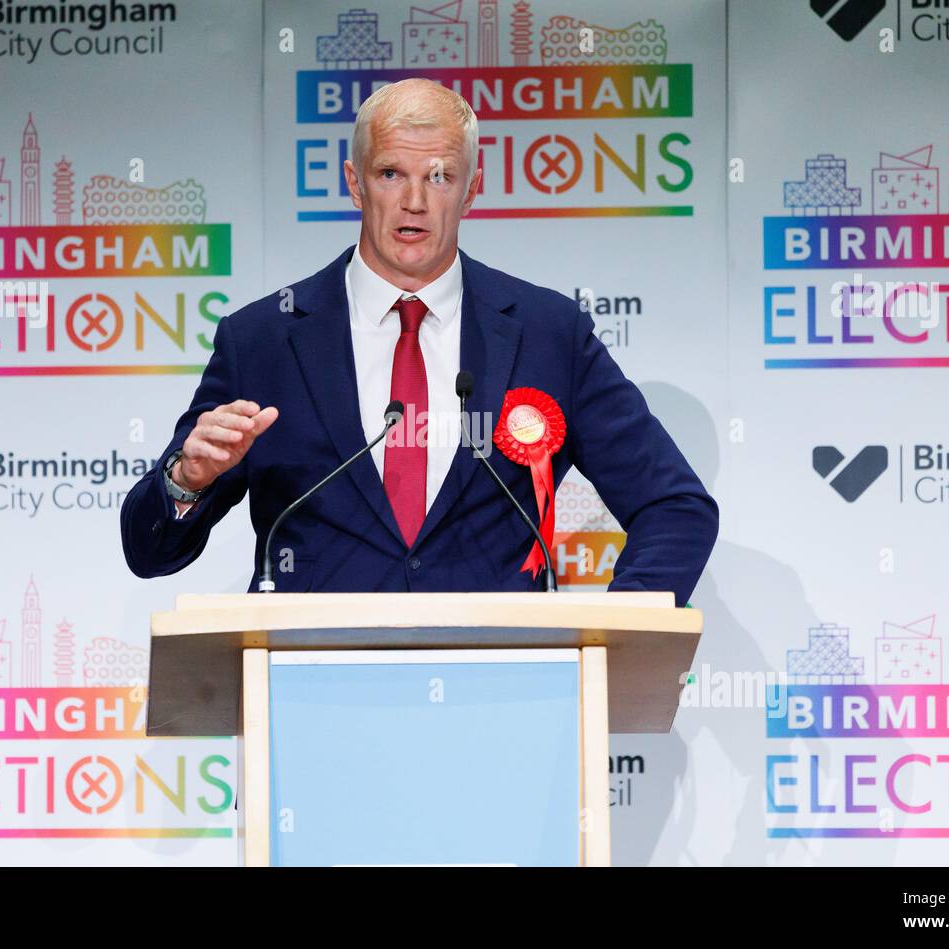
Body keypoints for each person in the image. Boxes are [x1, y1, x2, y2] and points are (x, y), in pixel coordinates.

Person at [119, 78, 717, 604]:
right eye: (390, 174)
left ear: (472, 188)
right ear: (355, 184)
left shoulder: (549, 333)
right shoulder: (263, 338)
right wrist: (185, 480)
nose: (414, 201)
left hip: (502, 694)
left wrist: (614, 634)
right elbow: (149, 551)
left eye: (439, 177)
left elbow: (676, 508)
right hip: (312, 696)